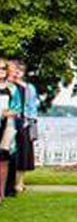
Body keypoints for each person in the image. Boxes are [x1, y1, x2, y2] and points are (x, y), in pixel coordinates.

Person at [10, 61, 38, 193]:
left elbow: (32, 107)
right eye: (15, 70)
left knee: (24, 153)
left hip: (24, 122)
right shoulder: (7, 86)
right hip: (9, 121)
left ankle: (20, 182)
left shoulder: (29, 88)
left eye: (20, 70)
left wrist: (31, 123)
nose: (17, 73)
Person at [0, 60, 20, 201]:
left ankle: (1, 193)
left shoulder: (12, 89)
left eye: (3, 68)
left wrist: (8, 113)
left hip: (6, 127)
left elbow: (17, 109)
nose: (1, 70)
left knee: (3, 160)